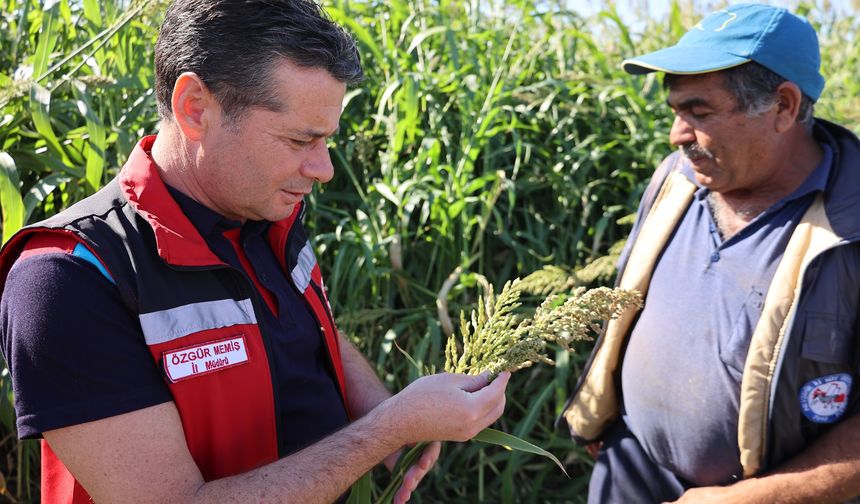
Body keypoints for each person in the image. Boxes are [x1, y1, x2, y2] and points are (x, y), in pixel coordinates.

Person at [0, 1, 510, 503]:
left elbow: (306, 323)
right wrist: (385, 430)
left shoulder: (269, 212)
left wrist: (380, 406)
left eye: (326, 140)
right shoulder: (70, 277)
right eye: (298, 139)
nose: (324, 169)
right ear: (194, 107)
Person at [558, 4, 860, 503]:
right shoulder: (677, 179)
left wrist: (756, 499)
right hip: (631, 469)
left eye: (700, 113)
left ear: (783, 106)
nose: (677, 135)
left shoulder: (850, 226)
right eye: (676, 111)